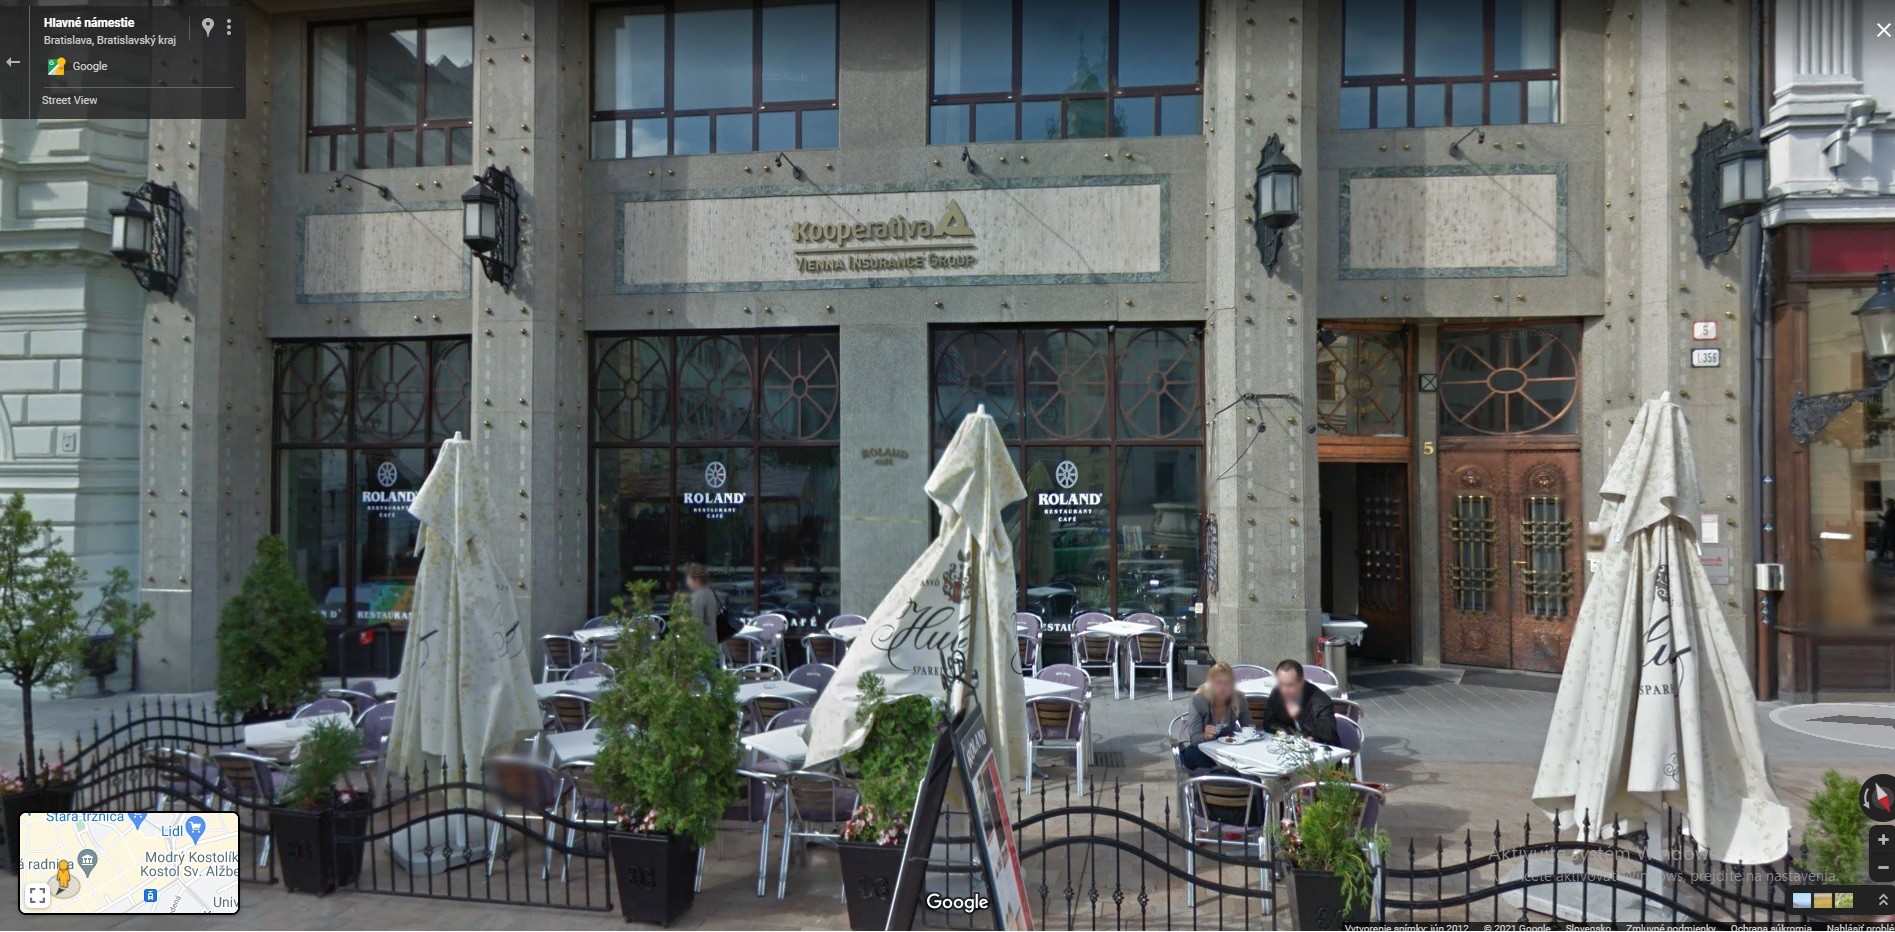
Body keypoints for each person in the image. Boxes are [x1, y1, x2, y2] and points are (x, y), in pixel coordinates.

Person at [1178, 661, 1252, 771]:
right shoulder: (1199, 701)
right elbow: (1194, 739)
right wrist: (1205, 735)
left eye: (1227, 683)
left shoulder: (1238, 699)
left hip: (1223, 748)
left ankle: (1239, 780)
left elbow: (1248, 727)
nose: (1222, 688)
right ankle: (1217, 779)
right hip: (1194, 747)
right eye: (1218, 683)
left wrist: (1247, 737)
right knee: (1206, 761)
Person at [1258, 658, 1340, 746]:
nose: (1285, 690)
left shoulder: (1320, 700)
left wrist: (1300, 715)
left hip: (1323, 749)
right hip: (1290, 746)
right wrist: (1301, 735)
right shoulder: (1277, 693)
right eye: (1281, 684)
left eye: (1290, 685)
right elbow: (1268, 724)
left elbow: (1329, 733)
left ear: (1301, 682)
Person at [683, 563, 721, 651]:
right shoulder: (710, 593)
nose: (687, 582)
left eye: (688, 578)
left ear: (696, 579)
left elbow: (695, 623)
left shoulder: (698, 597)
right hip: (711, 640)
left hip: (700, 646)